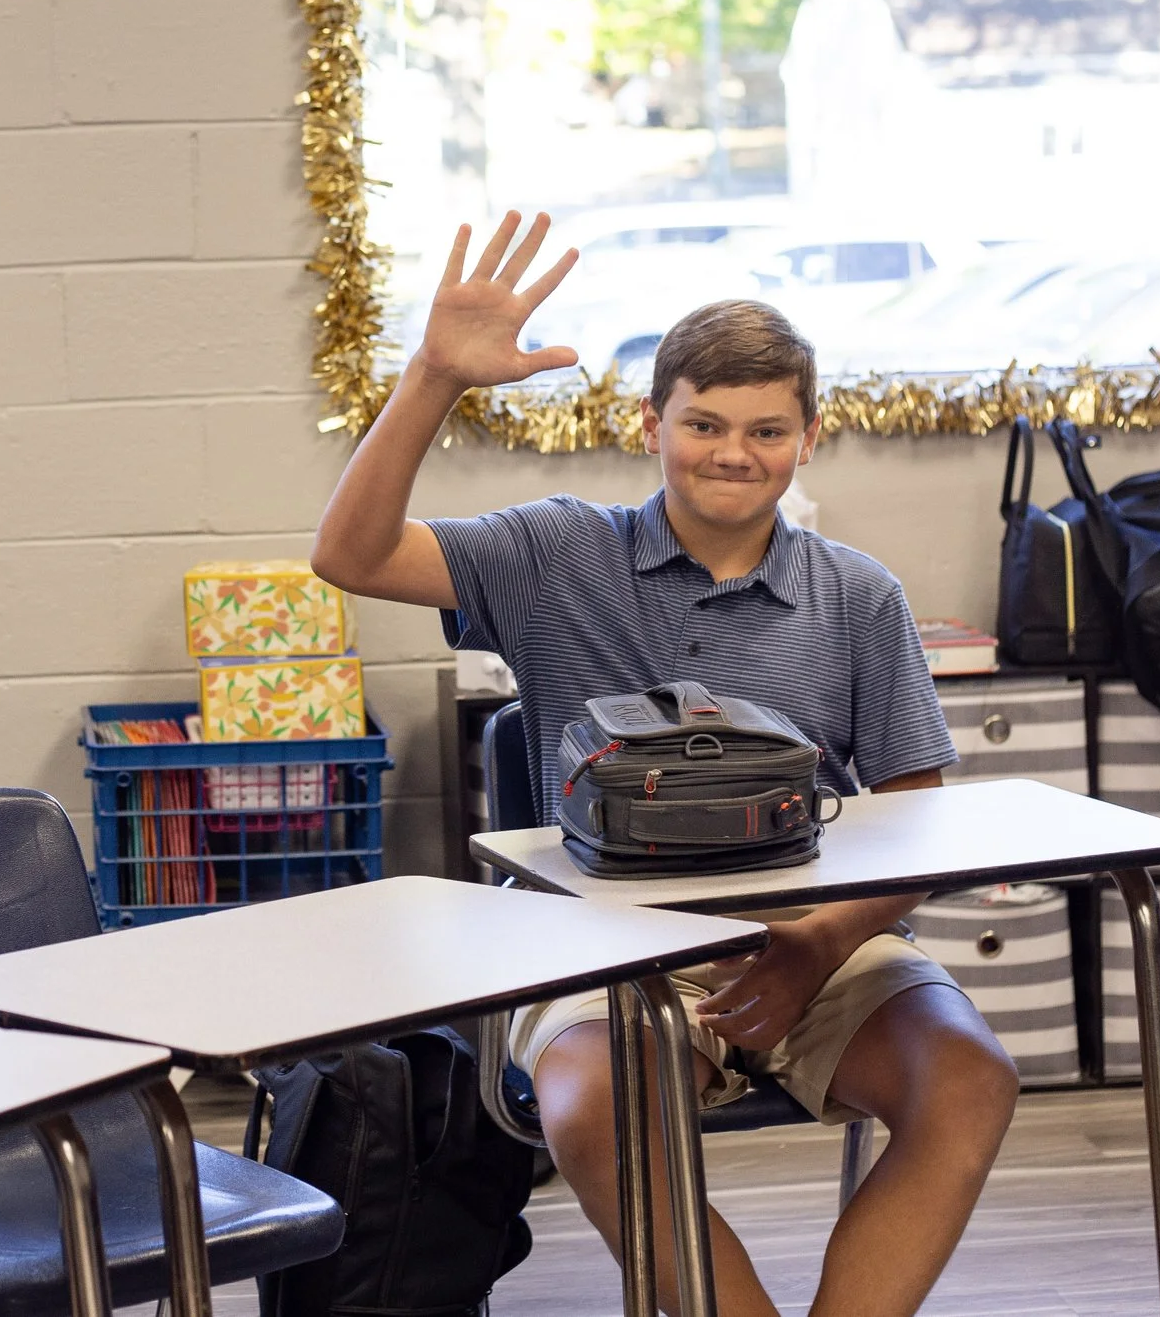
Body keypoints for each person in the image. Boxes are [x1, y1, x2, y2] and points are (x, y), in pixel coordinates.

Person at [310, 212, 1018, 1317]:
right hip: (600, 950)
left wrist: (813, 945)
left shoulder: (858, 593)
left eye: (766, 428)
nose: (733, 450)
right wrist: (434, 375)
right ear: (652, 422)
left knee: (970, 1079)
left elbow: (916, 818)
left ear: (808, 436)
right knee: (593, 1104)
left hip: (815, 943)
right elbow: (347, 554)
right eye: (704, 422)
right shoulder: (554, 552)